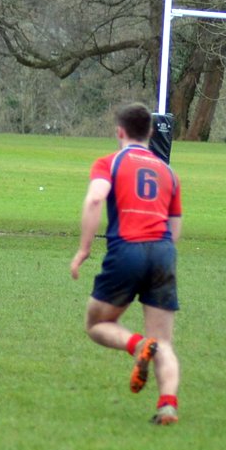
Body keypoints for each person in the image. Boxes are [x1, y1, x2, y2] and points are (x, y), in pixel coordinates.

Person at [70, 102, 184, 425]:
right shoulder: (168, 172)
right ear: (151, 132)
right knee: (164, 342)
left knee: (96, 323)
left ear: (120, 132)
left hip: (127, 251)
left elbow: (95, 198)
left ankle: (137, 344)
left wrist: (84, 249)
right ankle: (168, 405)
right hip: (163, 253)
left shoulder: (109, 162)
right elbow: (175, 226)